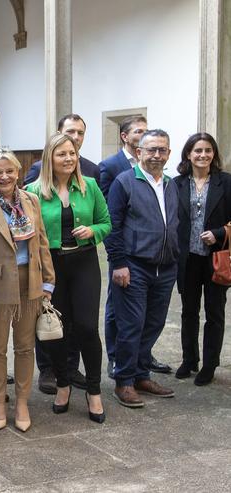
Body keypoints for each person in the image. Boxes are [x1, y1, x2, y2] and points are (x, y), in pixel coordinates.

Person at [26, 134, 111, 423]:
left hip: (84, 263)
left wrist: (93, 231)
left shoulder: (91, 187)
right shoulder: (32, 192)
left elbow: (106, 222)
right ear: (50, 157)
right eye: (62, 154)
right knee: (57, 329)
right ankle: (63, 384)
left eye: (72, 153)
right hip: (51, 268)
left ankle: (94, 391)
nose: (69, 158)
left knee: (87, 327)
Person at [0, 149, 55, 432]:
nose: (4, 177)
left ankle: (21, 402)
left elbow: (42, 241)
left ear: (18, 172)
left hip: (29, 281)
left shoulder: (31, 200)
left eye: (9, 171)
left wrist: (47, 282)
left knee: (25, 347)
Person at [104, 129, 179, 408]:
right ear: (139, 152)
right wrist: (119, 263)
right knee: (131, 325)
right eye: (151, 150)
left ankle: (141, 374)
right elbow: (113, 226)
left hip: (165, 268)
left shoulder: (171, 184)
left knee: (154, 323)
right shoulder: (125, 182)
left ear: (168, 154)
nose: (156, 155)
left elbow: (176, 225)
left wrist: (176, 258)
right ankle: (124, 381)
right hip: (133, 267)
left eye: (162, 150)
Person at [174, 133, 231, 386]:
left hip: (215, 258)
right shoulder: (176, 184)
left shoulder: (226, 183)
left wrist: (218, 234)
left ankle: (209, 364)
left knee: (215, 313)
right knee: (188, 312)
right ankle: (189, 359)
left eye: (208, 150)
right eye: (198, 150)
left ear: (214, 154)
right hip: (187, 259)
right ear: (188, 154)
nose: (203, 155)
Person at [23, 113, 100, 185]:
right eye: (71, 131)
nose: (76, 137)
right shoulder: (39, 169)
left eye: (80, 133)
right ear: (58, 134)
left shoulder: (93, 170)